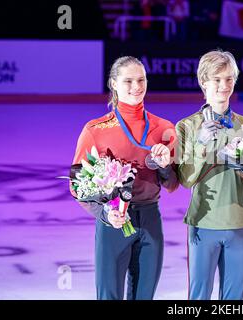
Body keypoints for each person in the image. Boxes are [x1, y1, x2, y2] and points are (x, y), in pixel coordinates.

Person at [71, 56, 179, 300]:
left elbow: (172, 184)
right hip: (113, 223)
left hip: (151, 220)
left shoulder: (164, 128)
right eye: (128, 80)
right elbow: (77, 184)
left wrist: (164, 167)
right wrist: (105, 213)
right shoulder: (95, 130)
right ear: (113, 84)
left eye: (141, 80)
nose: (136, 86)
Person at [175, 50, 243, 300]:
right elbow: (185, 179)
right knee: (199, 298)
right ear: (203, 82)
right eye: (217, 79)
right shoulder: (187, 126)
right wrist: (201, 144)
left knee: (234, 300)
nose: (224, 86)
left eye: (228, 79)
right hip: (203, 224)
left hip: (238, 222)